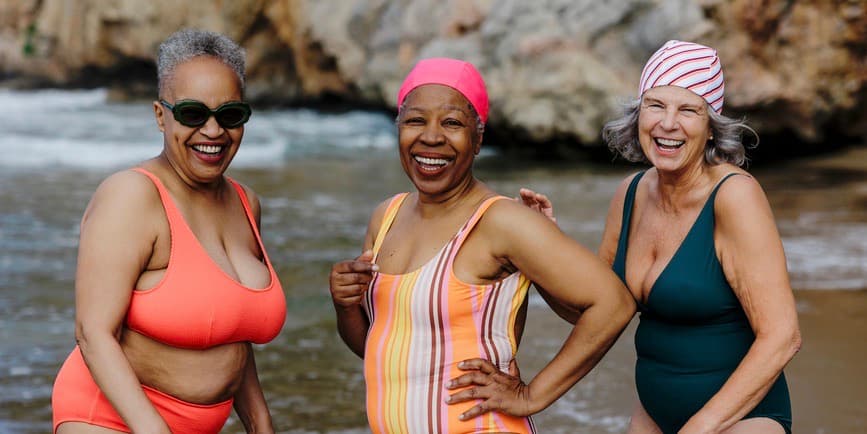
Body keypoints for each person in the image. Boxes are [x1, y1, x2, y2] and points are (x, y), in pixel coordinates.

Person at [328, 57, 636, 433]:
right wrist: (345, 306)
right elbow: (380, 350)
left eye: (452, 123)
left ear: (478, 139)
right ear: (398, 129)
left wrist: (531, 395)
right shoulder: (385, 216)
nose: (431, 137)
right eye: (415, 120)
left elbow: (612, 304)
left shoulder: (501, 221)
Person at [516, 40, 801, 433]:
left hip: (740, 421)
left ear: (711, 127)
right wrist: (544, 247)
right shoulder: (630, 194)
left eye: (688, 110)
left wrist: (700, 428)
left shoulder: (735, 196)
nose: (668, 123)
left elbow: (782, 337)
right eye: (655, 105)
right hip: (654, 416)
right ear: (638, 115)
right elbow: (596, 315)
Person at [51, 29, 286, 434]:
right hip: (111, 420)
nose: (213, 131)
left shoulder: (246, 203)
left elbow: (235, 332)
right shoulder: (131, 196)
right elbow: (93, 333)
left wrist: (261, 423)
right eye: (193, 114)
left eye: (230, 115)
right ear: (161, 116)